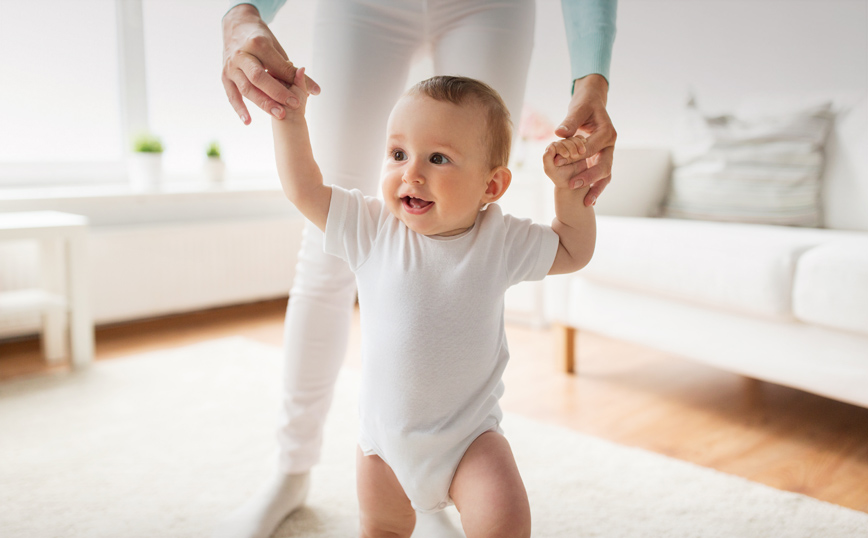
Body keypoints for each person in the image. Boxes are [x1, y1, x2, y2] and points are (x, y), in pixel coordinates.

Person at [217, 1, 616, 536]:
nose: (411, 174)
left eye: (438, 159)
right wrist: (289, 118)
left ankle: (442, 511)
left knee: (505, 517)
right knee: (380, 527)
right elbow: (305, 187)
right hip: (382, 446)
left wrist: (570, 197)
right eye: (398, 154)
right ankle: (290, 473)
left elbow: (572, 251)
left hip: (471, 443)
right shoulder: (371, 226)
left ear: (492, 188)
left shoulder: (497, 237)